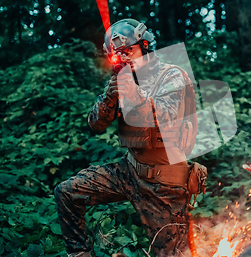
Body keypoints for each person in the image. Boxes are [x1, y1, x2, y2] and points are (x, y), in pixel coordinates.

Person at [54, 19, 206, 257]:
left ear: (146, 46)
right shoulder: (123, 79)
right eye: (119, 55)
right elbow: (96, 124)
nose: (125, 59)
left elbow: (164, 117)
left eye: (129, 51)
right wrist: (110, 97)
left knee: (172, 254)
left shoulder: (172, 76)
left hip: (164, 181)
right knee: (67, 192)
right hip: (130, 170)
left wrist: (134, 94)